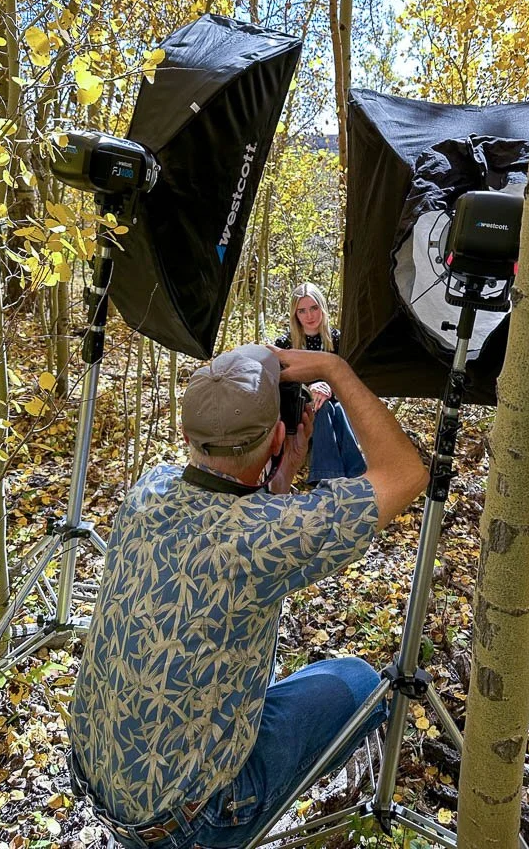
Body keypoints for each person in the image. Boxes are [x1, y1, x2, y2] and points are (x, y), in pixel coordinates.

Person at [68, 343, 427, 849]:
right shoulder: (264, 539)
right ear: (279, 432)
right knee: (360, 681)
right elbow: (407, 474)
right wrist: (334, 368)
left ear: (187, 435)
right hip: (189, 825)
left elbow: (232, 518)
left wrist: (281, 476)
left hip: (100, 783)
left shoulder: (150, 489)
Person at [275, 281, 365, 483]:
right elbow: (278, 383)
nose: (310, 316)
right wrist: (308, 388)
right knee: (322, 408)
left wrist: (330, 388)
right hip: (297, 408)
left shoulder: (339, 341)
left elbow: (352, 380)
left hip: (336, 406)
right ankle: (350, 475)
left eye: (314, 308)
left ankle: (330, 476)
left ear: (322, 307)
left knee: (333, 408)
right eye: (302, 311)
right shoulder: (285, 344)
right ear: (295, 315)